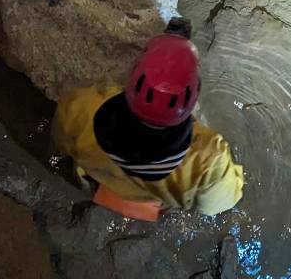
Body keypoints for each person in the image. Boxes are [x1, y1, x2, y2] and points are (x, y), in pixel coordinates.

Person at [53, 18, 244, 219]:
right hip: (152, 205)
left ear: (133, 75)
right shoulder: (209, 159)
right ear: (194, 95)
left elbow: (60, 144)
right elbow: (220, 203)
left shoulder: (80, 107)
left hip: (98, 184)